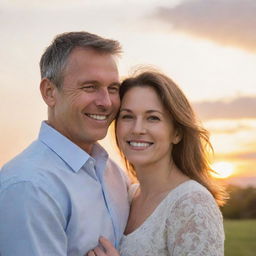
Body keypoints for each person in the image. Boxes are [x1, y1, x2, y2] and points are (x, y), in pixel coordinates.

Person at [0, 32, 130, 255]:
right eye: (90, 87)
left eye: (112, 89)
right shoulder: (29, 186)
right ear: (49, 92)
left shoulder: (115, 174)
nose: (106, 102)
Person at [88, 70, 227, 256]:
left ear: (176, 133)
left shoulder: (193, 204)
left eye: (153, 118)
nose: (137, 129)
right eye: (127, 116)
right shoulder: (128, 195)